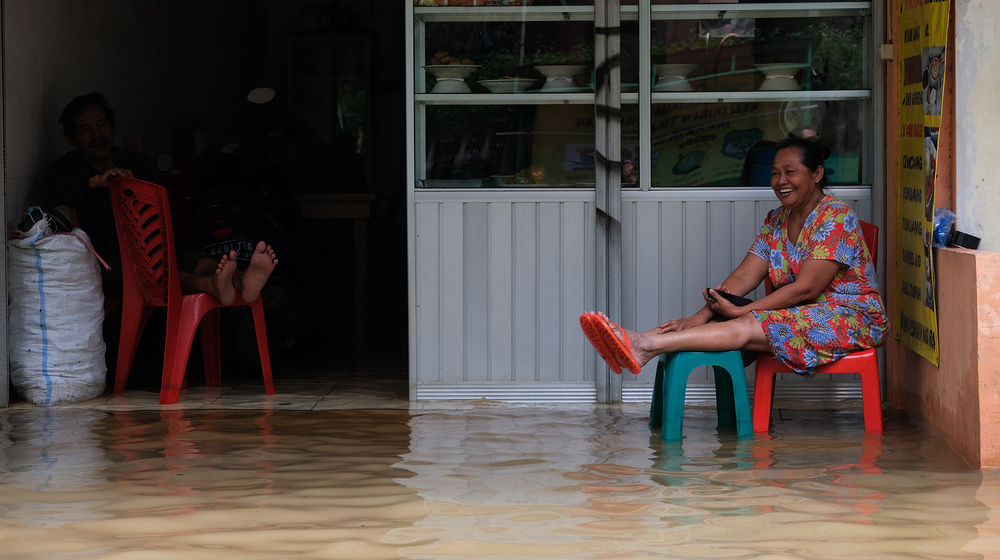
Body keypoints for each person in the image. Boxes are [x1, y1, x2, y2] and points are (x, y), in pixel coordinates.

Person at [580, 136, 887, 376]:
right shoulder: (777, 219)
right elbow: (743, 276)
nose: (781, 181)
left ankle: (644, 345)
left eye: (790, 172)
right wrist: (698, 317)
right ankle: (634, 341)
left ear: (817, 173)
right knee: (725, 309)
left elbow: (806, 288)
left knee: (746, 318)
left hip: (848, 318)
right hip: (796, 316)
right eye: (775, 173)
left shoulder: (835, 216)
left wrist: (744, 312)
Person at [45, 92, 278, 304]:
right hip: (111, 263)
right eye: (86, 129)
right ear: (72, 139)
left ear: (113, 128)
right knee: (153, 269)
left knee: (191, 259)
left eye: (102, 125)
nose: (97, 135)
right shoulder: (67, 169)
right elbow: (57, 190)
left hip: (156, 249)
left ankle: (241, 279)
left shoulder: (136, 162)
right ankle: (208, 284)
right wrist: (97, 182)